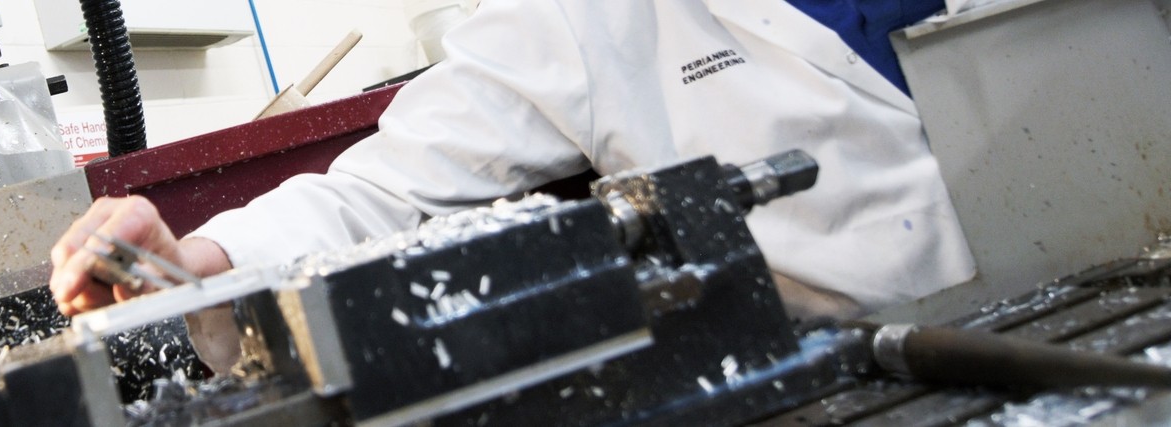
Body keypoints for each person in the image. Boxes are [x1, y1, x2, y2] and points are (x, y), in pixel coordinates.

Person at [49, 0, 973, 370]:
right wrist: (196, 258)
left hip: (1108, 277)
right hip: (870, 372)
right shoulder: (582, 13)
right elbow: (381, 191)